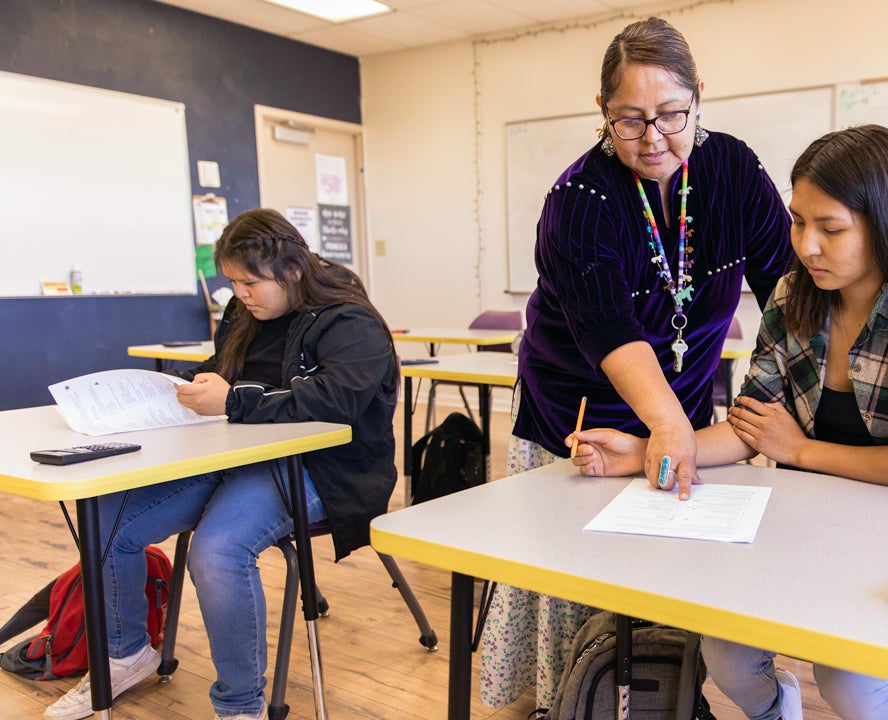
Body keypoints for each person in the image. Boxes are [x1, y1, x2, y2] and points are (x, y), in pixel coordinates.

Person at [570, 124, 888, 720]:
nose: (807, 246)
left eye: (832, 228)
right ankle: (778, 711)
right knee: (723, 651)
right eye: (799, 222)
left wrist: (800, 451)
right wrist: (652, 447)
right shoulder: (797, 292)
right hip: (805, 525)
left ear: (887, 222)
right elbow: (753, 425)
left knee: (850, 683)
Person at [481, 16, 793, 709]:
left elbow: (788, 292)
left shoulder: (734, 171)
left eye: (672, 115)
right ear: (602, 113)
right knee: (578, 594)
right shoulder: (579, 200)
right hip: (581, 415)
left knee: (677, 586)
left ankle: (665, 700)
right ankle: (575, 701)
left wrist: (768, 406)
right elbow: (610, 331)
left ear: (699, 98)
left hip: (684, 411)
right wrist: (667, 427)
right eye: (630, 121)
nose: (653, 139)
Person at [44, 209, 399, 720]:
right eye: (233, 282)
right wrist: (183, 389)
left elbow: (336, 400)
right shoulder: (243, 311)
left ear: (293, 269)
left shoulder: (349, 320)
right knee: (104, 520)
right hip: (233, 453)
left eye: (251, 282)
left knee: (216, 552)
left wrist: (233, 402)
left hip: (321, 469)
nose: (242, 294)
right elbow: (223, 373)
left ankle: (239, 706)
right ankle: (126, 655)